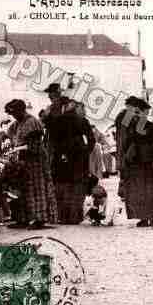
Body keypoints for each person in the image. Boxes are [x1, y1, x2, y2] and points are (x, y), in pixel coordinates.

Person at [40, 83, 95, 224]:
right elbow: (91, 139)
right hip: (73, 155)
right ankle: (73, 216)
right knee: (73, 185)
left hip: (64, 155)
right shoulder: (78, 119)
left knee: (64, 185)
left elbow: (51, 135)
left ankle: (64, 216)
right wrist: (85, 151)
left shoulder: (56, 117)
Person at [4, 99, 58, 229]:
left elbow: (35, 146)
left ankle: (39, 219)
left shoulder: (32, 122)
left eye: (15, 113)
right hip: (22, 162)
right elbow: (10, 137)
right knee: (23, 190)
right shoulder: (16, 124)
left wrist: (19, 149)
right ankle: (23, 218)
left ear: (22, 110)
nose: (14, 116)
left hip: (36, 162)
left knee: (37, 189)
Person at [121, 97, 153, 227]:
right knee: (138, 191)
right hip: (135, 162)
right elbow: (125, 142)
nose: (135, 115)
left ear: (144, 113)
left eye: (138, 112)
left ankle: (152, 215)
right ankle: (142, 216)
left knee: (151, 190)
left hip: (149, 162)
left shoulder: (152, 127)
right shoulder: (128, 126)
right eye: (132, 112)